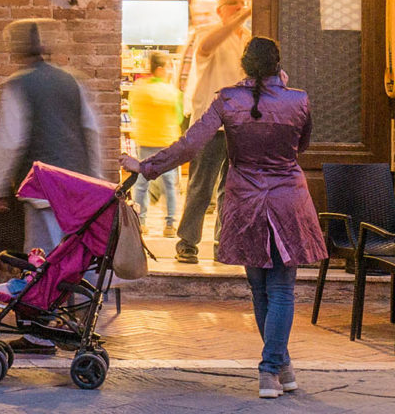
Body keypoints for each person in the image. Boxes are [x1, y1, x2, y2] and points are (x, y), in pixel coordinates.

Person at [121, 37, 324, 399]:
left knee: (260, 289)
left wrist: (146, 167)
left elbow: (191, 144)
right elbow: (301, 145)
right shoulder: (299, 100)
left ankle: (273, 368)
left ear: (244, 65)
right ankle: (276, 367)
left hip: (245, 201)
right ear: (278, 65)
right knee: (282, 289)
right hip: (288, 199)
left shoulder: (228, 99)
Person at [0, 18, 105, 351]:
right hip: (79, 189)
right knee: (73, 261)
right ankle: (78, 324)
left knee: (42, 263)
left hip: (43, 190)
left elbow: (8, 142)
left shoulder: (18, 85)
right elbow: (92, 132)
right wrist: (96, 181)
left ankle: (41, 333)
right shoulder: (73, 81)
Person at [173, 0, 252, 263]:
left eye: (242, 4)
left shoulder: (248, 38)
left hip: (240, 124)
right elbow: (207, 48)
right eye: (233, 4)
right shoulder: (208, 33)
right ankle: (187, 242)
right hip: (210, 122)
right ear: (220, 10)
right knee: (201, 185)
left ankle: (224, 243)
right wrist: (239, 18)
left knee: (232, 188)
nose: (239, 7)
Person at [128, 51, 184, 237]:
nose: (170, 71)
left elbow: (132, 112)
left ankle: (140, 222)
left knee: (141, 184)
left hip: (145, 141)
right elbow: (179, 117)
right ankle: (169, 225)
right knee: (169, 186)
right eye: (168, 67)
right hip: (167, 143)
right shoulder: (172, 92)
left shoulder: (139, 88)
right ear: (160, 69)